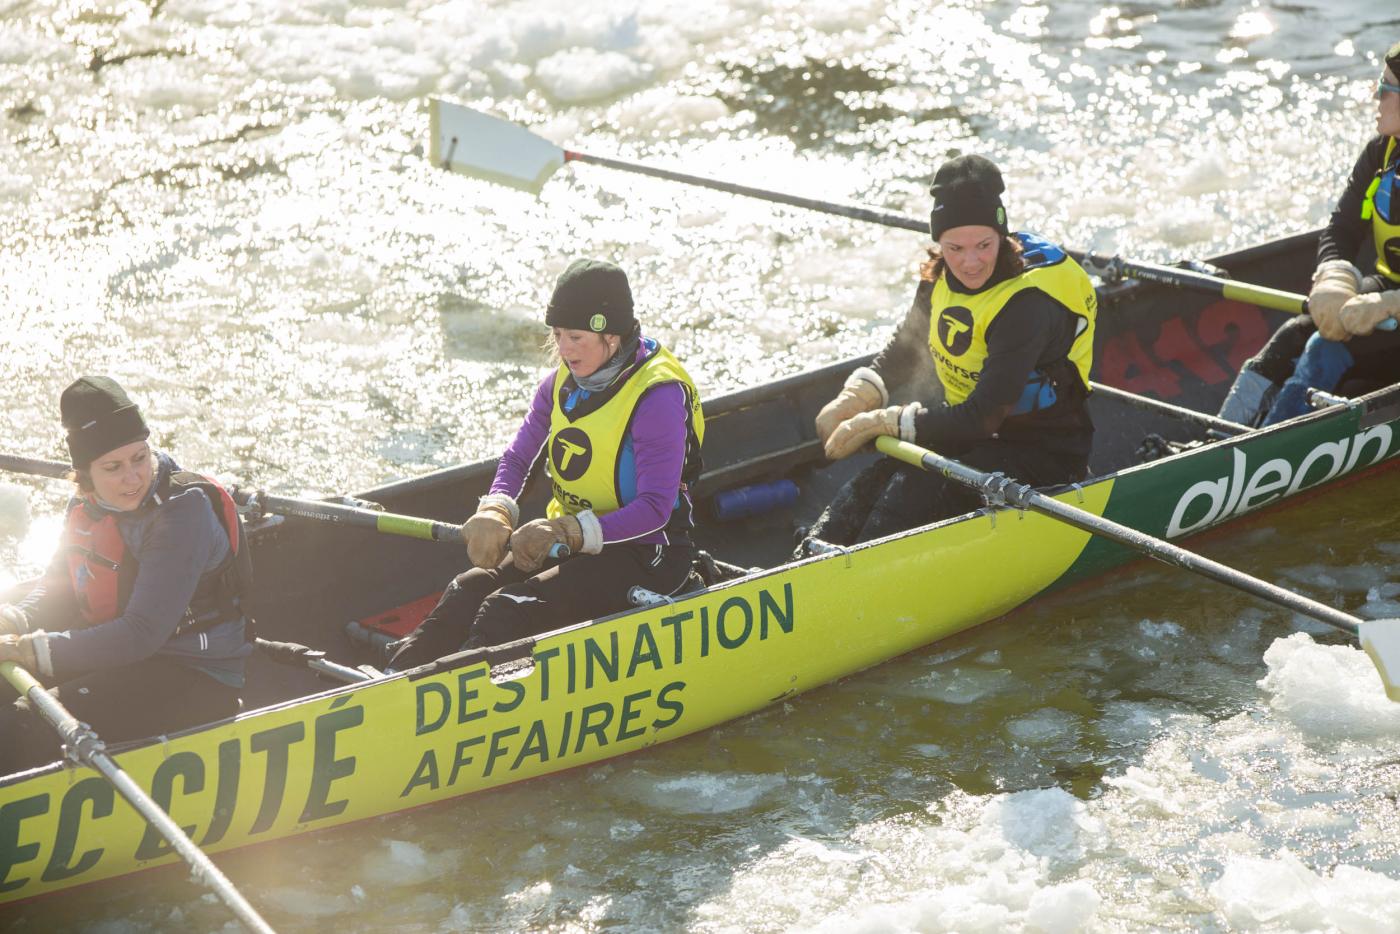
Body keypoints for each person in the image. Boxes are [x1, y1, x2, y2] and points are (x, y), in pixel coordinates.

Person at [388, 259, 705, 669]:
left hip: (649, 552)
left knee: (508, 609)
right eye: (557, 335)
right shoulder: (560, 385)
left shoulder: (657, 397)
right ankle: (391, 678)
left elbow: (656, 510)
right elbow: (520, 456)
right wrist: (496, 506)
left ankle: (458, 698)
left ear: (612, 335)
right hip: (575, 542)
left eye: (576, 336)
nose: (564, 349)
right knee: (467, 590)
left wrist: (570, 531)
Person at [797, 154, 1097, 551]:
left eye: (984, 245)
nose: (970, 262)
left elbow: (982, 416)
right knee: (870, 486)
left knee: (907, 499)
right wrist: (856, 396)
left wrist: (885, 423)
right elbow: (906, 349)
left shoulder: (1026, 306)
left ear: (1002, 237)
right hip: (966, 434)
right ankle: (810, 560)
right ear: (939, 243)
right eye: (955, 247)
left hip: (1043, 449)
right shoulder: (939, 275)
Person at [0, 377, 252, 773]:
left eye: (140, 457)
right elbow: (59, 590)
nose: (132, 478)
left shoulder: (182, 514)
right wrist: (11, 620)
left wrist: (28, 651)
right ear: (85, 475)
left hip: (193, 675)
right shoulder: (86, 505)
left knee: (21, 725)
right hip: (117, 654)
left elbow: (140, 634)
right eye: (113, 467)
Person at [1218, 41, 1400, 427]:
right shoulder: (1381, 153)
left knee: (1324, 349)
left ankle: (1262, 456)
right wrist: (1334, 274)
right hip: (1386, 293)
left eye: (1385, 89)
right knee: (1294, 334)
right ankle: (1220, 438)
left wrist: (1391, 304)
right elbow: (1344, 226)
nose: (1374, 97)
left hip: (1392, 305)